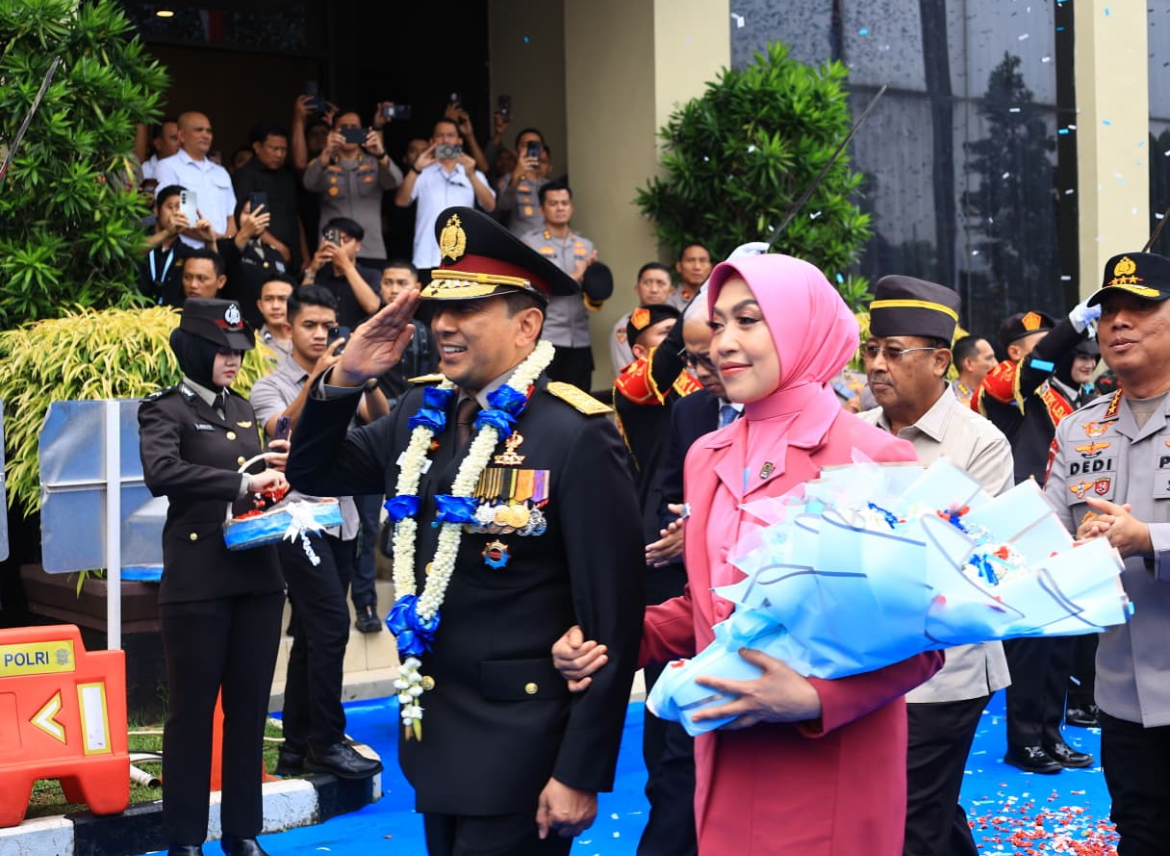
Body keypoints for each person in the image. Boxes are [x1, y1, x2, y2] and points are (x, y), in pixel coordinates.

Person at [555, 253, 943, 855]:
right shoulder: (706, 454)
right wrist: (609, 639)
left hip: (830, 761)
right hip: (725, 751)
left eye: (749, 321)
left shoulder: (871, 455)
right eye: (719, 324)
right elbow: (706, 608)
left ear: (801, 328)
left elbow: (923, 638)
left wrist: (816, 698)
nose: (724, 343)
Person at [285, 206, 644, 855]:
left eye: (467, 310)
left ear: (527, 324)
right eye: (439, 310)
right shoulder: (419, 412)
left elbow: (612, 619)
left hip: (525, 744)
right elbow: (313, 468)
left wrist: (579, 772)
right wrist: (348, 375)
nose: (442, 326)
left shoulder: (575, 433)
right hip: (436, 739)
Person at [857, 275, 1013, 856]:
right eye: (871, 351)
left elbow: (974, 556)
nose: (876, 366)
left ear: (940, 361)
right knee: (924, 809)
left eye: (893, 353)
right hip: (864, 662)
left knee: (909, 819)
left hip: (942, 670)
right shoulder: (854, 433)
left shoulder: (980, 442)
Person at [138, 298, 289, 856]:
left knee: (249, 709)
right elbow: (162, 472)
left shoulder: (244, 409)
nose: (233, 360)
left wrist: (272, 472)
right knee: (192, 713)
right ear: (198, 351)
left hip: (257, 575)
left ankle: (242, 831)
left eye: (238, 351)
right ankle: (184, 839)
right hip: (198, 579)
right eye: (223, 351)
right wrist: (240, 484)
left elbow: (249, 474)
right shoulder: (165, 410)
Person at [1045, 251, 1170, 856]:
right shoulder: (1078, 428)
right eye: (1110, 311)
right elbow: (1045, 531)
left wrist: (1151, 538)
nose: (1118, 323)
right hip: (1123, 693)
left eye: (1139, 309)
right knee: (1141, 836)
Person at [250, 286, 385, 780]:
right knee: (330, 625)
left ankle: (298, 745)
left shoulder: (349, 377)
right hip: (296, 518)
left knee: (312, 636)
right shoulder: (270, 383)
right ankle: (327, 740)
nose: (321, 334)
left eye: (329, 326)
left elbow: (384, 423)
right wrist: (321, 377)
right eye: (311, 326)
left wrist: (360, 374)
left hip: (343, 517)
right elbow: (280, 430)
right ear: (288, 328)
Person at [973, 302, 1100, 774]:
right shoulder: (1008, 384)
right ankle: (1023, 739)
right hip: (1019, 528)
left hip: (1060, 527)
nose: (1065, 351)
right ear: (1014, 352)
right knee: (1030, 642)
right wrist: (1072, 324)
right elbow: (1040, 364)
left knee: (1061, 640)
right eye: (1043, 343)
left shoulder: (1068, 399)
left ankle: (1051, 732)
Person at [522, 181, 611, 389]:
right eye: (554, 203)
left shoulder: (586, 245)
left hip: (580, 338)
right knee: (545, 402)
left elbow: (593, 300)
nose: (560, 208)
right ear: (542, 209)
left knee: (580, 404)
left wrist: (596, 286)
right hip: (546, 338)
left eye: (564, 203)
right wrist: (574, 275)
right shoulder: (530, 244)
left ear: (571, 207)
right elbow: (530, 290)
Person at [302, 109, 402, 266]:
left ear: (363, 131)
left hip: (370, 248)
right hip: (333, 247)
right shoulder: (323, 162)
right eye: (344, 127)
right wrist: (326, 152)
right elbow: (309, 184)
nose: (349, 132)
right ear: (333, 132)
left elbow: (394, 182)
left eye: (354, 127)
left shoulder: (375, 162)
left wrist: (381, 154)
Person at [394, 117, 497, 270]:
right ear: (432, 141)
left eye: (450, 135)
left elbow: (490, 206)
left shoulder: (471, 171)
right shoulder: (421, 173)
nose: (445, 140)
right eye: (440, 135)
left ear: (459, 141)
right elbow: (401, 201)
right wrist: (416, 168)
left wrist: (471, 175)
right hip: (426, 258)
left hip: (462, 258)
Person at [154, 112, 238, 247]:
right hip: (189, 252)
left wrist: (226, 244)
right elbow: (173, 217)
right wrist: (214, 239)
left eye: (209, 131)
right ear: (181, 136)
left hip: (223, 252)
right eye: (199, 130)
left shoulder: (220, 172)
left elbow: (231, 215)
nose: (206, 135)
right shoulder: (168, 166)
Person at [232, 123, 304, 273]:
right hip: (261, 256)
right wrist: (278, 247)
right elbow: (243, 218)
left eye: (284, 150)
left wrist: (305, 255)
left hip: (294, 258)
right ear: (258, 147)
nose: (280, 155)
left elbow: (296, 216)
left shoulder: (287, 176)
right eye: (274, 149)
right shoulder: (246, 176)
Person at [139, 184, 215, 307]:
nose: (177, 213)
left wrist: (210, 242)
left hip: (173, 319)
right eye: (171, 207)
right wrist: (167, 232)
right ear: (156, 210)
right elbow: (131, 253)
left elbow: (213, 275)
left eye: (182, 208)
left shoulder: (187, 252)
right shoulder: (138, 237)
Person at [301, 217, 382, 329]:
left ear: (357, 246)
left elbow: (372, 306)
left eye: (345, 240)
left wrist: (346, 265)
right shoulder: (319, 274)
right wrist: (312, 270)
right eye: (335, 240)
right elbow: (300, 307)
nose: (340, 245)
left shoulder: (371, 274)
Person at [611, 263, 676, 375]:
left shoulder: (680, 322)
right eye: (647, 283)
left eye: (660, 283)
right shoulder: (625, 326)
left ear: (671, 291)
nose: (654, 290)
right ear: (637, 289)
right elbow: (626, 371)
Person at [497, 127, 548, 237]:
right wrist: (516, 177)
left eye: (535, 145)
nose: (530, 150)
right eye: (525, 145)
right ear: (516, 152)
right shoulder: (507, 180)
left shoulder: (547, 185)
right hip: (520, 244)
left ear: (542, 151)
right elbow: (504, 206)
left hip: (545, 246)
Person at [255, 275, 294, 363]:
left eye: (283, 299)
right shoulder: (252, 346)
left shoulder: (308, 341)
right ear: (260, 306)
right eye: (268, 299)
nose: (275, 306)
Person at [950, 335, 997, 407]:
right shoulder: (951, 401)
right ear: (969, 364)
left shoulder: (995, 395)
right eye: (989, 358)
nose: (996, 364)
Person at [670, 242, 713, 308]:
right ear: (679, 266)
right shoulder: (669, 298)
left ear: (710, 268)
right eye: (690, 260)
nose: (697, 267)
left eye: (702, 261)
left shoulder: (717, 298)